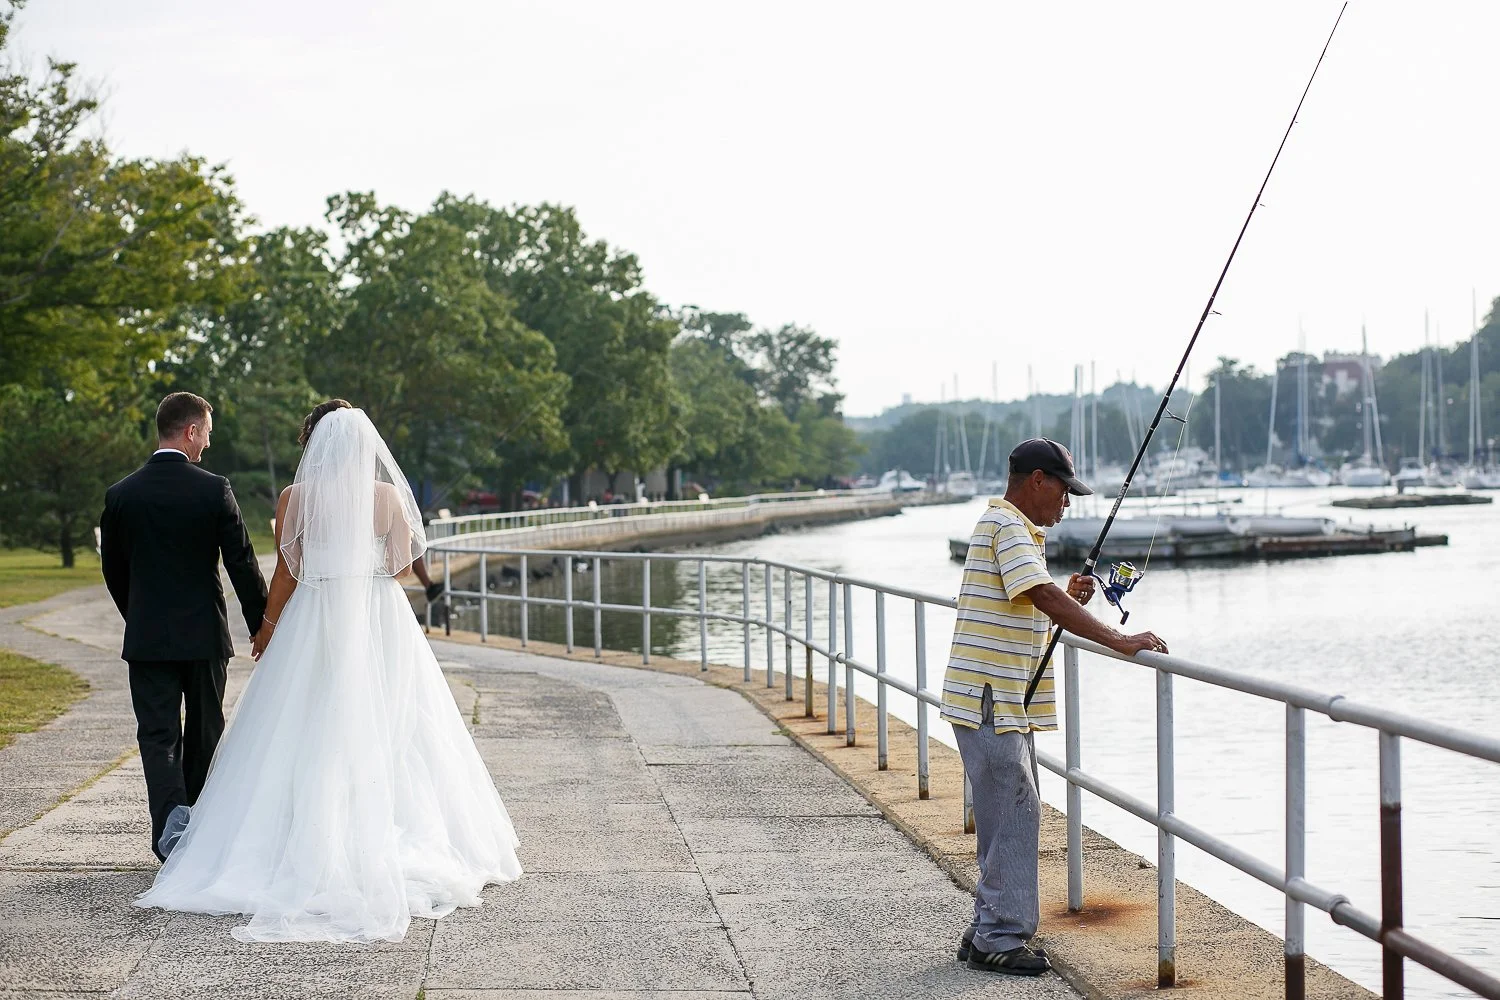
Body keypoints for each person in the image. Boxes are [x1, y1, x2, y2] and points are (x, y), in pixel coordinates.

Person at [134, 400, 522, 942]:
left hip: (313, 614)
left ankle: (296, 837)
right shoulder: (386, 497)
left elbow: (288, 572)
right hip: (377, 615)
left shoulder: (295, 498)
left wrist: (267, 626)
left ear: (312, 444)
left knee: (302, 723)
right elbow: (398, 565)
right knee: (394, 720)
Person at [942, 438, 1168, 977]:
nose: (1066, 504)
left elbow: (1029, 605)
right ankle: (1000, 937)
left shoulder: (1012, 531)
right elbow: (1040, 595)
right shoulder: (1007, 526)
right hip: (991, 697)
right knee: (1017, 810)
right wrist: (1118, 638)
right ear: (1038, 480)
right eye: (1064, 491)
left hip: (995, 697)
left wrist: (1070, 596)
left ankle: (985, 929)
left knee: (1004, 814)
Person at [100, 392, 269, 862]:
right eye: (207, 434)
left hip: (148, 639)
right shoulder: (214, 489)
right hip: (203, 637)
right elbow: (242, 564)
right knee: (203, 731)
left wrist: (139, 618)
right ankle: (196, 825)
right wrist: (262, 625)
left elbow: (113, 570)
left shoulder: (121, 494)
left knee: (157, 736)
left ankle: (169, 827)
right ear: (191, 431)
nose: (207, 446)